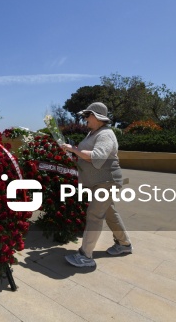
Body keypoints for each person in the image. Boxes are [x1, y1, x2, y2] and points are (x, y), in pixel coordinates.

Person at [60, 102, 132, 268]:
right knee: (109, 213)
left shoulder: (106, 134)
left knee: (94, 215)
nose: (84, 118)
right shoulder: (93, 133)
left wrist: (74, 150)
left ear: (98, 117)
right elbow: (85, 155)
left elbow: (97, 158)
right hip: (99, 182)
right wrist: (73, 151)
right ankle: (124, 244)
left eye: (87, 115)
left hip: (107, 182)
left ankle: (86, 255)